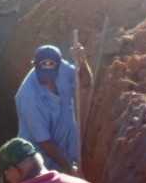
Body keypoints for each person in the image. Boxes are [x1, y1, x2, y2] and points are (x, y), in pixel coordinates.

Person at [15, 44, 91, 174]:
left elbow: (86, 82)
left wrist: (82, 62)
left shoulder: (63, 68)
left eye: (51, 75)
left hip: (68, 147)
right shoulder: (28, 96)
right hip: (39, 163)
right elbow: (45, 142)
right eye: (43, 75)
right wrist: (69, 168)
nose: (48, 80)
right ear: (35, 66)